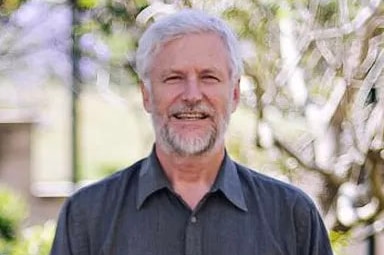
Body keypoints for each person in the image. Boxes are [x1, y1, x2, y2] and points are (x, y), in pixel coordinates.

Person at [50, 9, 334, 255]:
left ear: (234, 94)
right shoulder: (87, 217)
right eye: (173, 78)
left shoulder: (293, 216)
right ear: (146, 95)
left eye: (209, 77)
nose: (192, 95)